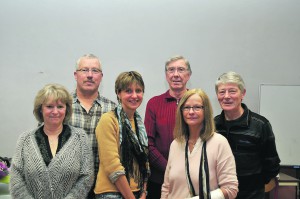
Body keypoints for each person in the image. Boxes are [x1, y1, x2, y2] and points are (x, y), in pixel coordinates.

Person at [10, 83, 94, 199]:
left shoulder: (80, 138)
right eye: (49, 106)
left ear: (66, 109)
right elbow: (16, 178)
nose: (55, 111)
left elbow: (86, 177)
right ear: (40, 109)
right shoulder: (25, 140)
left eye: (60, 106)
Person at [161, 89, 238, 199]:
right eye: (187, 107)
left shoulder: (219, 143)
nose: (191, 112)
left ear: (205, 111)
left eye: (197, 107)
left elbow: (231, 189)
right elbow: (166, 187)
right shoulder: (176, 144)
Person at [214, 71, 281, 199]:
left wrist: (254, 185)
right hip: (221, 195)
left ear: (243, 94)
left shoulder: (260, 125)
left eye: (232, 91)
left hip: (251, 195)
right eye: (222, 92)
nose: (226, 96)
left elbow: (272, 164)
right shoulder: (212, 125)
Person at [94, 71, 150, 199]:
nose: (134, 95)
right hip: (110, 194)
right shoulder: (108, 120)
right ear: (118, 93)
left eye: (139, 90)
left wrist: (143, 193)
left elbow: (145, 162)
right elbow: (112, 166)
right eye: (128, 91)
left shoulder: (139, 123)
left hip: (137, 193)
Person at [69, 54, 117, 198]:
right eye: (84, 70)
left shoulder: (113, 109)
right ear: (75, 75)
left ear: (101, 76)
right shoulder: (61, 107)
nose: (90, 75)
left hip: (103, 189)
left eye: (95, 71)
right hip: (69, 188)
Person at [144, 55, 192, 199]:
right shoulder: (154, 103)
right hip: (159, 179)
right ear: (166, 75)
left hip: (191, 180)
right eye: (171, 70)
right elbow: (148, 143)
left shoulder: (197, 102)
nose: (176, 74)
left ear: (188, 75)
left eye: (181, 70)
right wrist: (169, 169)